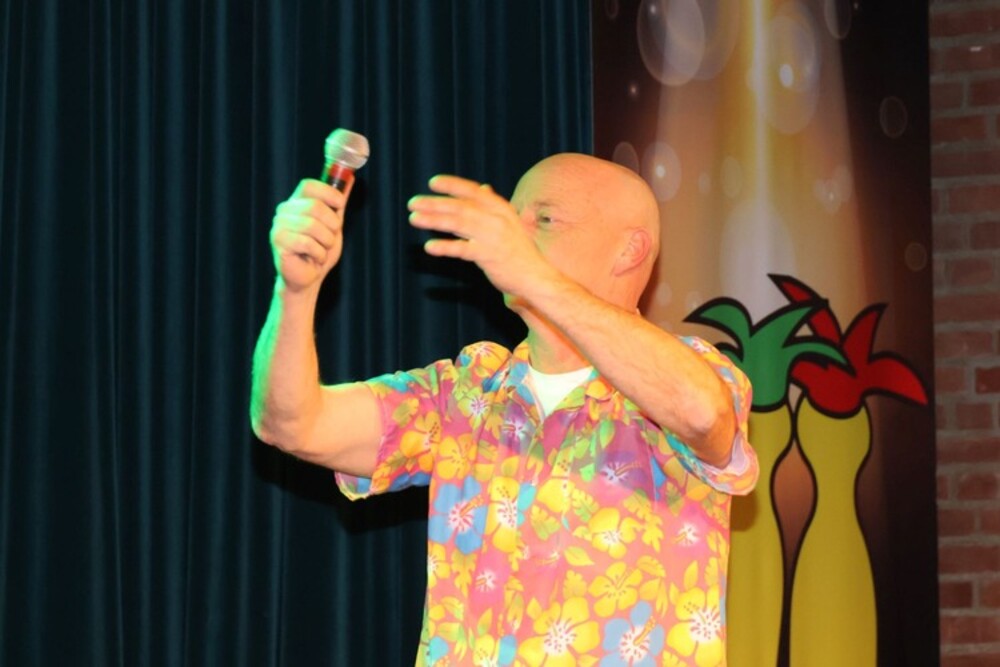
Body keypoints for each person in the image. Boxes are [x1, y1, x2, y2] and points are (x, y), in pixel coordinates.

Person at [251, 153, 758, 666]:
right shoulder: (466, 391)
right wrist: (295, 291)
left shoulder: (692, 375)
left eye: (545, 219)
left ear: (629, 250)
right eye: (510, 220)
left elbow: (701, 414)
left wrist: (533, 275)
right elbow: (291, 424)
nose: (514, 237)